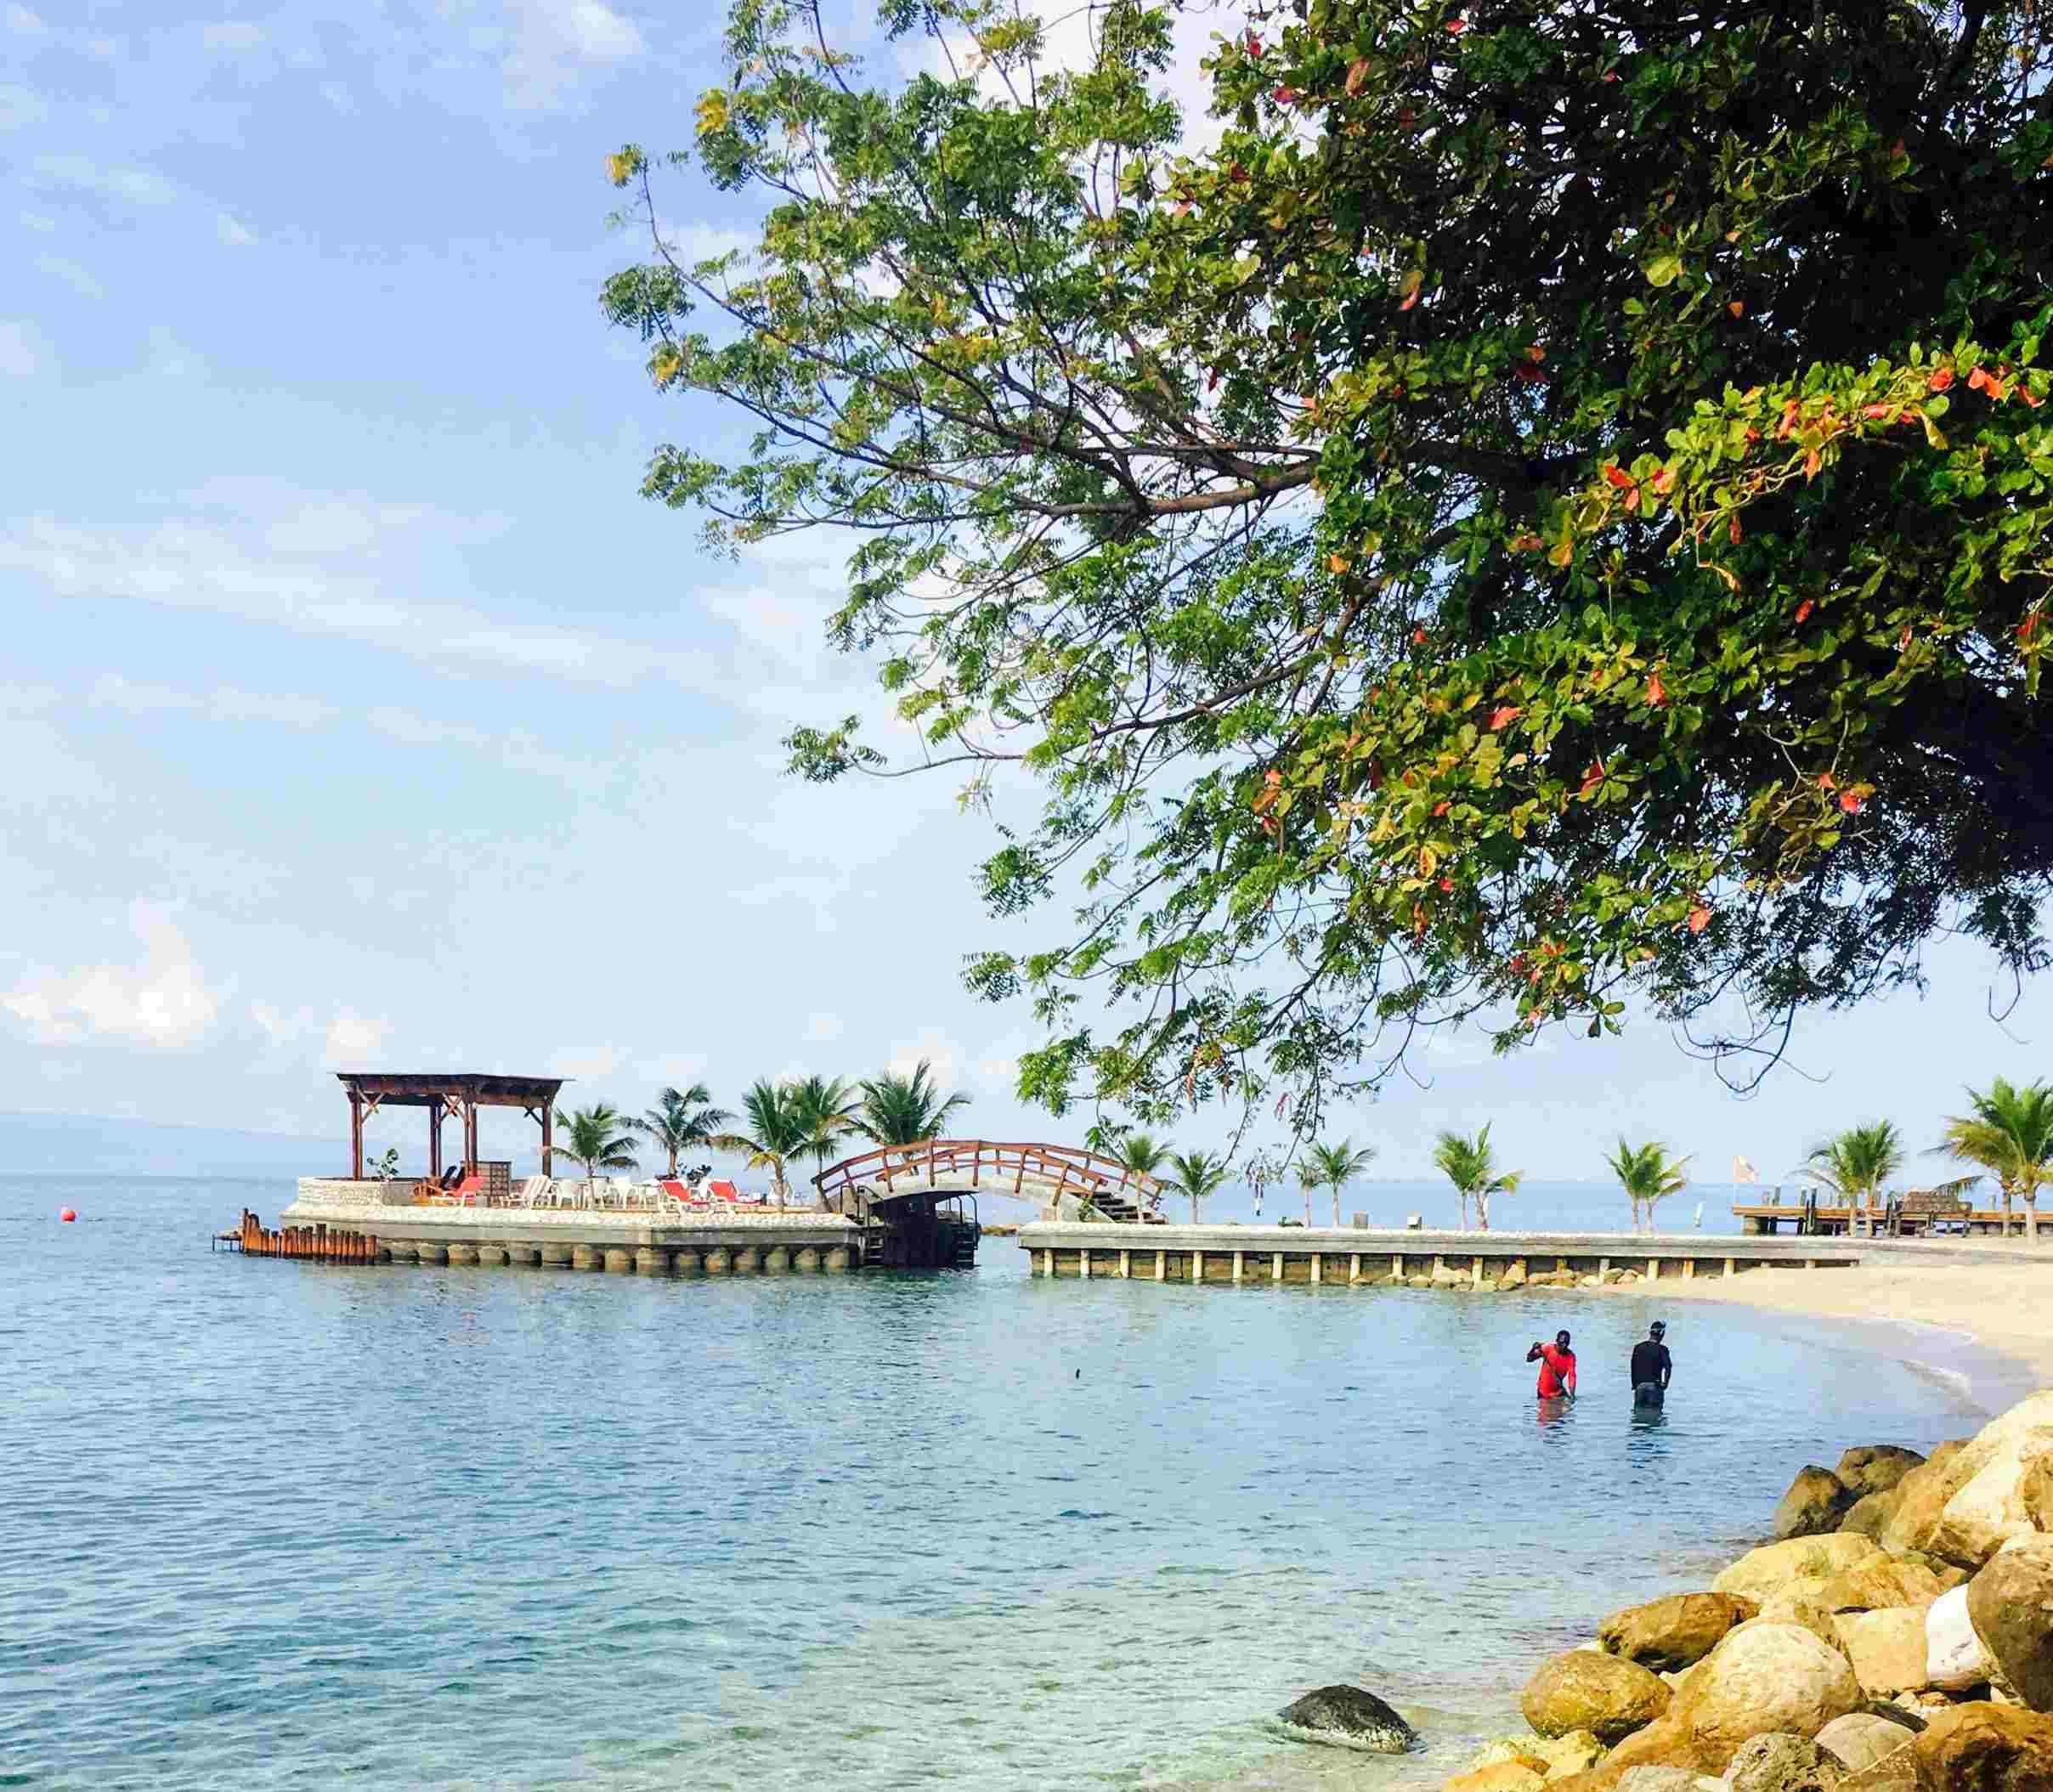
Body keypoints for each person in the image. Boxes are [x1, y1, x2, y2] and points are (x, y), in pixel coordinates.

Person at [1632, 1320, 1673, 1406]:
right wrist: (1665, 1384)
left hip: (1640, 1388)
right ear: (1662, 1334)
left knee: (1638, 1414)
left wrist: (1635, 1385)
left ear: (1650, 1332)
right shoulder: (1662, 1349)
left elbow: (1633, 1367)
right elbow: (1668, 1368)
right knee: (1655, 1414)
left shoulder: (1638, 1348)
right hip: (1655, 1388)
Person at [1527, 1330, 1577, 1399]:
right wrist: (1533, 1349)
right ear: (1557, 1341)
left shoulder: (1571, 1356)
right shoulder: (1547, 1349)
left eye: (1567, 1343)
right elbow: (1529, 1359)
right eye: (1562, 1343)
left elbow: (1572, 1376)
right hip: (1543, 1393)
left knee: (1567, 1405)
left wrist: (1572, 1394)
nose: (1564, 1345)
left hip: (1558, 1393)